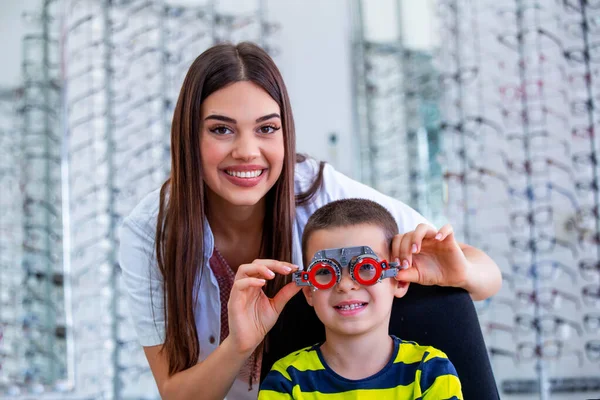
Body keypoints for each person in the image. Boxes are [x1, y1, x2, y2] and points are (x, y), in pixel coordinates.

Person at [117, 41, 502, 400]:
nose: (247, 151)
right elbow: (176, 393)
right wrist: (239, 344)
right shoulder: (150, 231)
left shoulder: (323, 194)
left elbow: (486, 276)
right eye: (221, 129)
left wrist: (456, 272)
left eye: (267, 128)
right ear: (189, 137)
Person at [258, 198, 463, 399]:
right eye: (325, 271)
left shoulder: (429, 372)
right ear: (308, 291)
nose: (345, 285)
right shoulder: (286, 380)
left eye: (366, 267)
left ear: (399, 281)